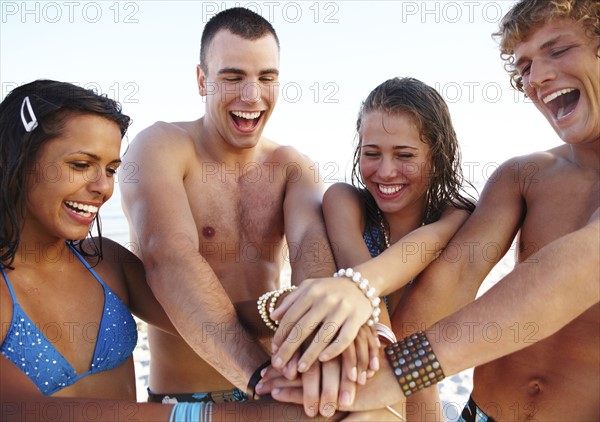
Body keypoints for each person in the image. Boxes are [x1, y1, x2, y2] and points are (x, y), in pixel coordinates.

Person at [260, 0, 599, 420]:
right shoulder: (523, 176)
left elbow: (582, 266)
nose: (538, 76)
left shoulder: (454, 209)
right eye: (524, 65)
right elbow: (448, 283)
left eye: (558, 49)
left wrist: (395, 373)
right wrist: (367, 373)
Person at [0, 80, 346, 422]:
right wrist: (242, 415)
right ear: (14, 159)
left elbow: (208, 319)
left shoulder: (105, 261)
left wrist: (296, 307)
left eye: (110, 170)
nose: (102, 187)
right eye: (80, 165)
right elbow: (20, 409)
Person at [119, 6, 335, 407]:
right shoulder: (159, 148)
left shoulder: (293, 166)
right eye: (233, 77)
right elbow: (169, 258)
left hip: (276, 390)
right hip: (191, 397)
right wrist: (261, 377)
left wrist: (314, 356)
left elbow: (313, 253)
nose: (252, 96)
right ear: (202, 81)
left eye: (266, 78)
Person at [263, 77, 475, 420]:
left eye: (405, 155)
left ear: (438, 155)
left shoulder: (455, 217)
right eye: (371, 154)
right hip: (361, 399)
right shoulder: (346, 202)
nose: (386, 171)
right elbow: (365, 284)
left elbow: (422, 247)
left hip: (418, 407)